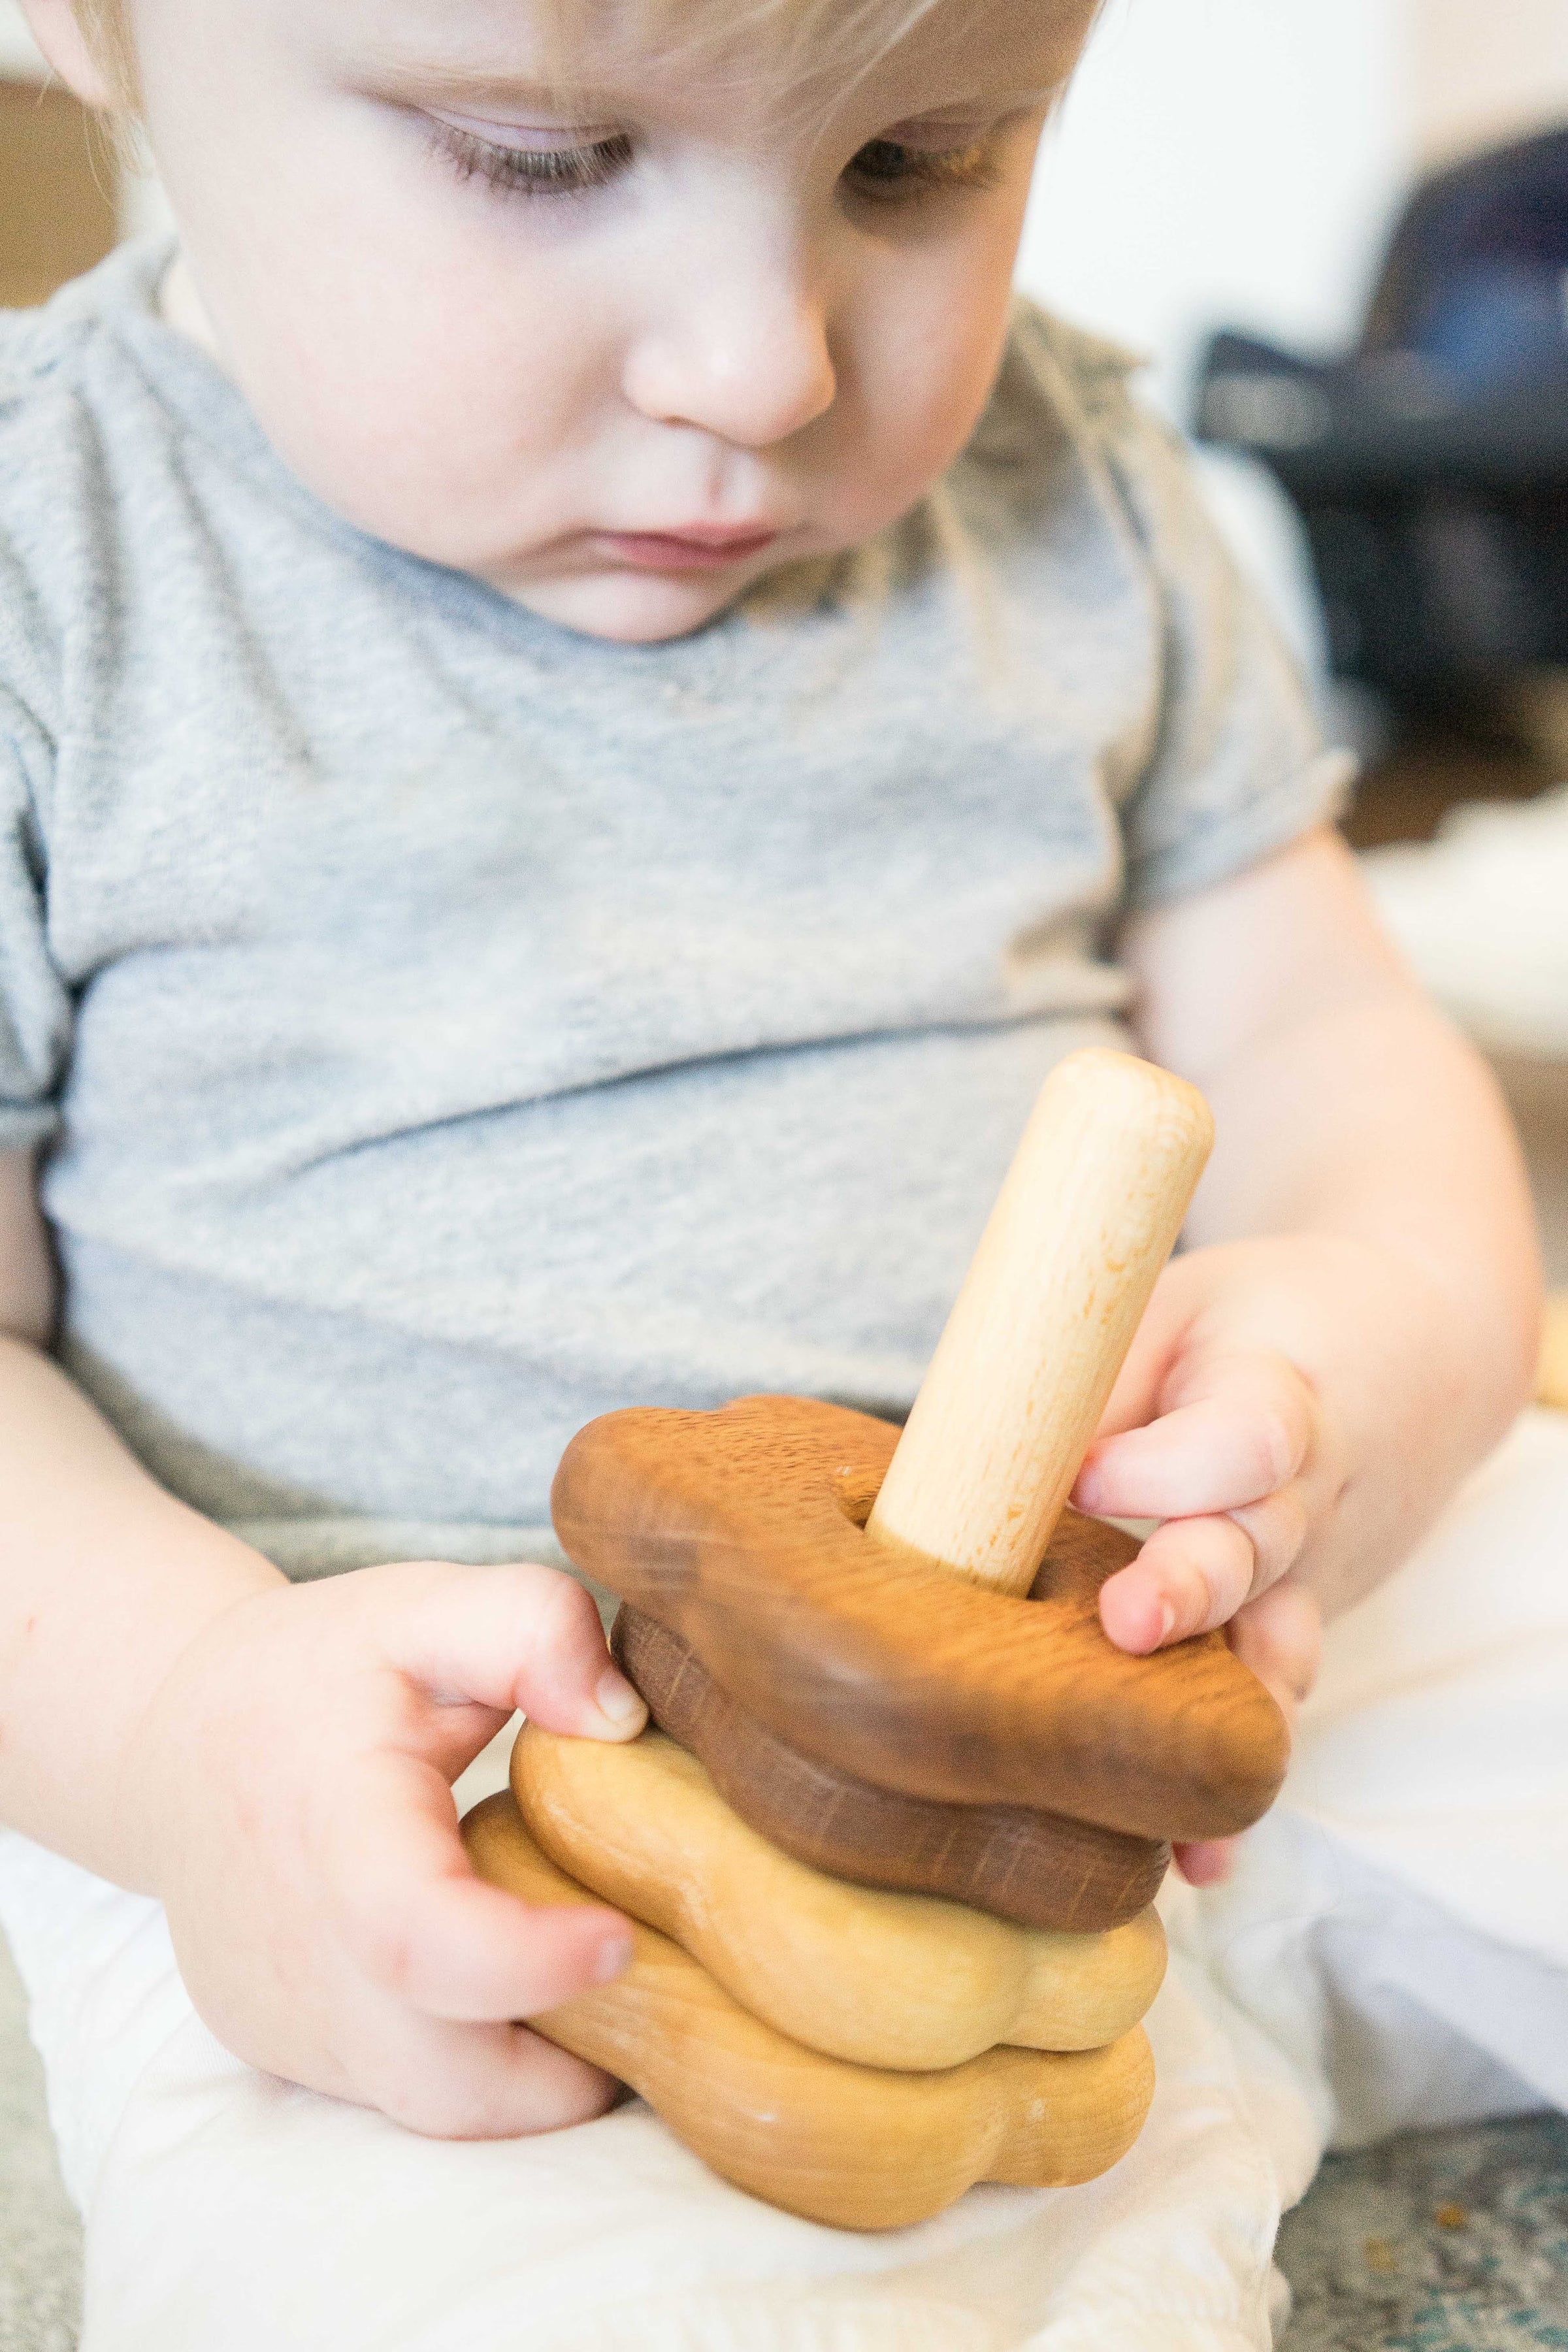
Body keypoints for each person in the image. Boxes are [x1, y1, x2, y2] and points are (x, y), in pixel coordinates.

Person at [0, 0, 1562, 2344]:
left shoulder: (1081, 477)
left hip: (1177, 1619)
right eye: (539, 156)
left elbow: (1330, 1031)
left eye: (921, 160)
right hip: (474, 1766)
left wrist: (1382, 1343)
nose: (765, 367)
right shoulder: (51, 566)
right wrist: (173, 1727)